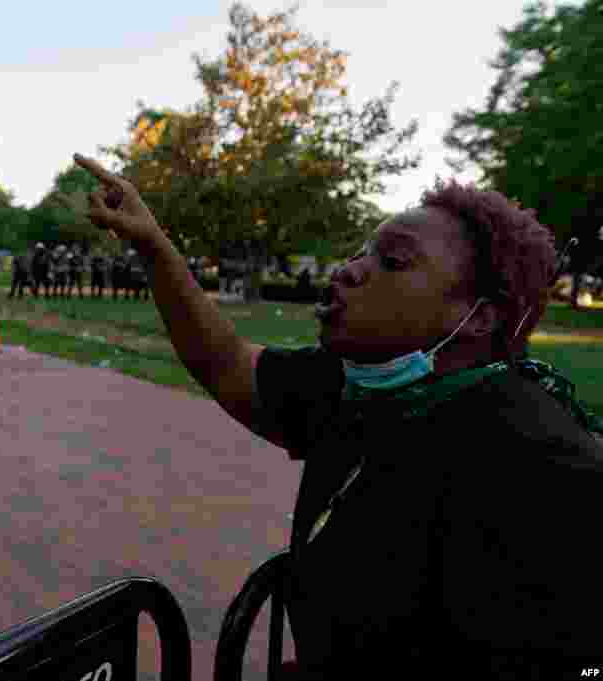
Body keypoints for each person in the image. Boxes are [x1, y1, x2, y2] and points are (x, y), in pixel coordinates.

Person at [71, 152, 603, 679]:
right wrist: (152, 244)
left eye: (392, 262)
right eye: (360, 253)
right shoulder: (352, 385)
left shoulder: (539, 461)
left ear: (479, 317)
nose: (349, 271)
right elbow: (228, 364)